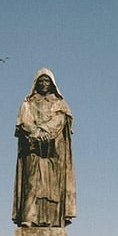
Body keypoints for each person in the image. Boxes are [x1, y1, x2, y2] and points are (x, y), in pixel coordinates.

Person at [13, 67, 76, 227]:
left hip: (53, 151)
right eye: (41, 81)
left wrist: (45, 131)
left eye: (46, 80)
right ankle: (29, 218)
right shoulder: (28, 103)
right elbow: (24, 122)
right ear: (36, 83)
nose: (43, 83)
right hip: (32, 148)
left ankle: (52, 221)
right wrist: (35, 132)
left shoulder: (60, 104)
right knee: (32, 183)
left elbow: (61, 120)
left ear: (52, 83)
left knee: (52, 187)